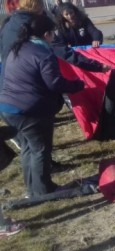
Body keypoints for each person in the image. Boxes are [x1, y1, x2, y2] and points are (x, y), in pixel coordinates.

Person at [0, 14, 85, 198]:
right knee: (40, 149)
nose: (54, 36)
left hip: (9, 108)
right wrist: (78, 84)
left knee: (29, 148)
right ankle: (43, 190)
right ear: (46, 34)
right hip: (31, 110)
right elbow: (54, 83)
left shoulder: (19, 47)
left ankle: (32, 188)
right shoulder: (43, 53)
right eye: (53, 33)